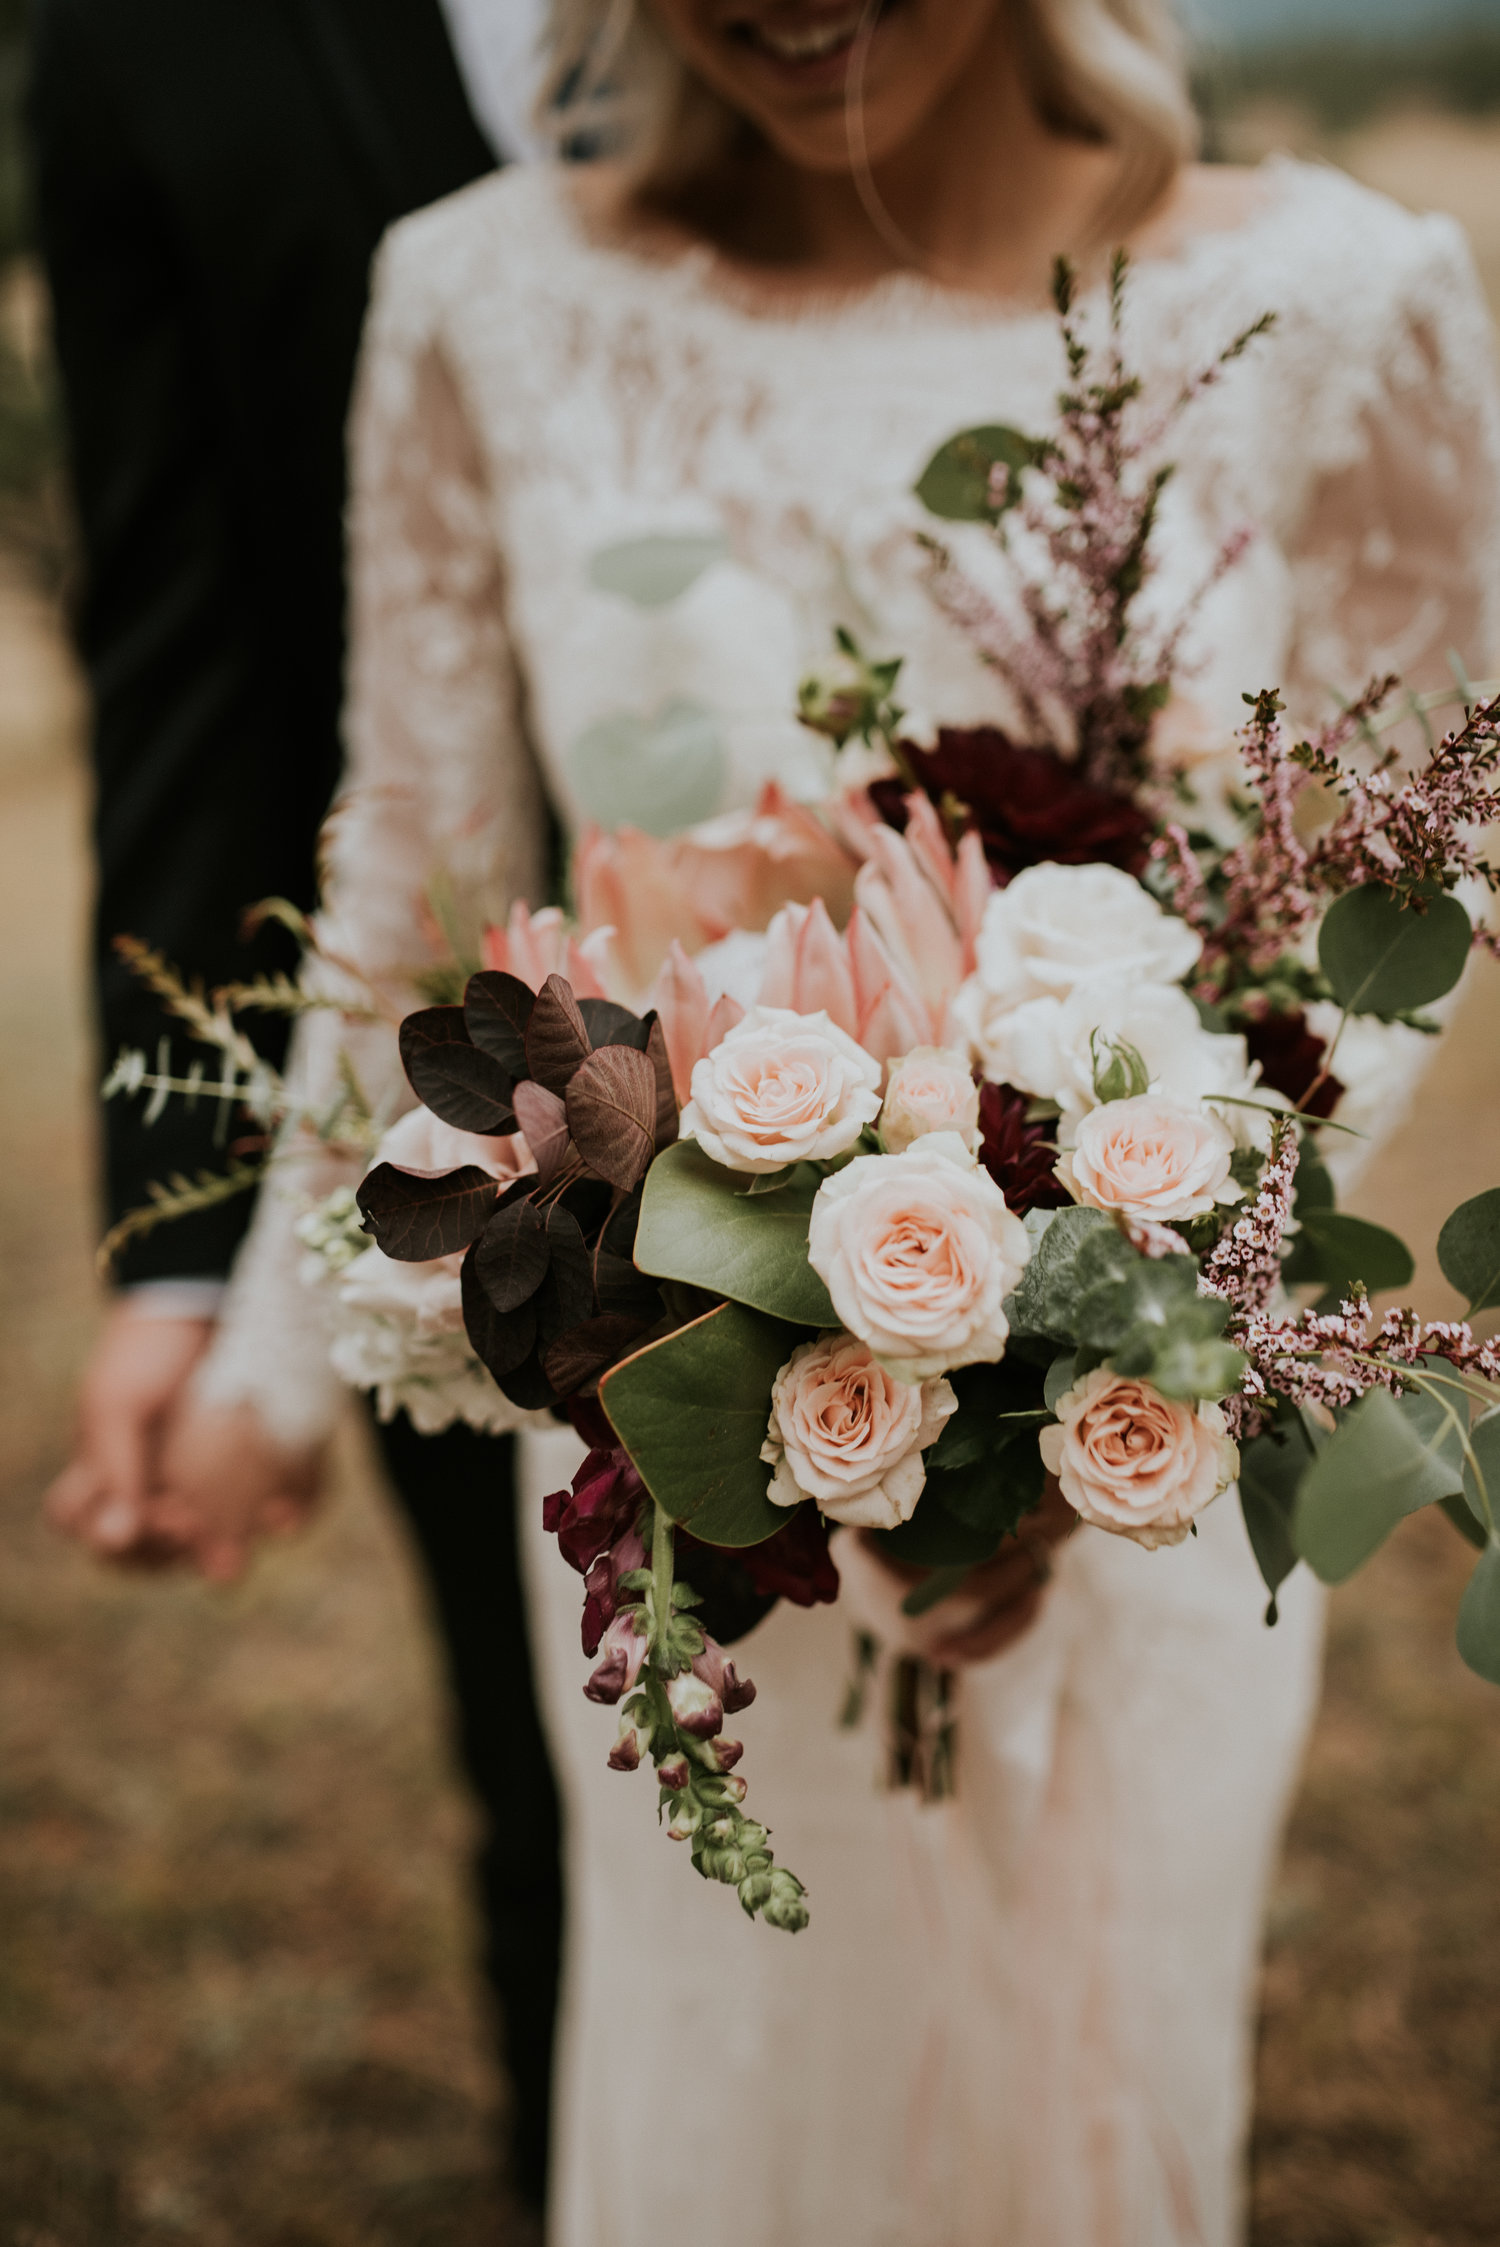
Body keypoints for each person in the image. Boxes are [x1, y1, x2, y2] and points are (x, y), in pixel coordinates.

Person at [155, 0, 1500, 2240]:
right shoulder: (482, 298)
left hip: (1130, 1460)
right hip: (675, 1451)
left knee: (1097, 2091)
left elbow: (1418, 858)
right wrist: (276, 1348)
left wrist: (1141, 1321)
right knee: (725, 2106)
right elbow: (408, 860)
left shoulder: (1347, 301)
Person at [30, 0, 561, 2222]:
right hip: (460, 1129)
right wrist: (188, 1232)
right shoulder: (142, 40)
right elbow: (194, 644)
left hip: (968, 1044)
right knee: (563, 1781)